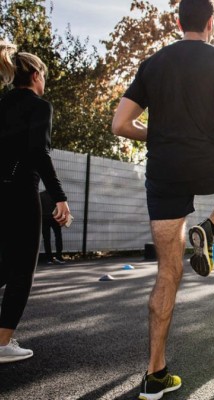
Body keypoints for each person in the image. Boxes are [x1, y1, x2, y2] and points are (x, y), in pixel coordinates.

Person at [112, 1, 214, 398]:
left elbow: (121, 124)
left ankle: (155, 374)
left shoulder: (153, 63)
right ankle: (208, 226)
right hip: (208, 161)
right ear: (211, 23)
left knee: (167, 273)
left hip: (164, 172)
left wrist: (156, 135)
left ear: (178, 22)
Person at [0, 41, 71, 363]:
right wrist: (60, 197)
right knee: (21, 270)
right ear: (35, 75)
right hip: (18, 192)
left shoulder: (2, 103)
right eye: (44, 74)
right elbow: (38, 153)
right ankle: (3, 343)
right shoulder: (39, 106)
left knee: (3, 264)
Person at [39, 190, 66, 265]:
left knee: (46, 239)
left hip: (45, 219)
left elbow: (39, 208)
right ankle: (58, 257)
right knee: (58, 237)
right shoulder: (56, 194)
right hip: (55, 219)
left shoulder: (41, 195)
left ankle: (49, 258)